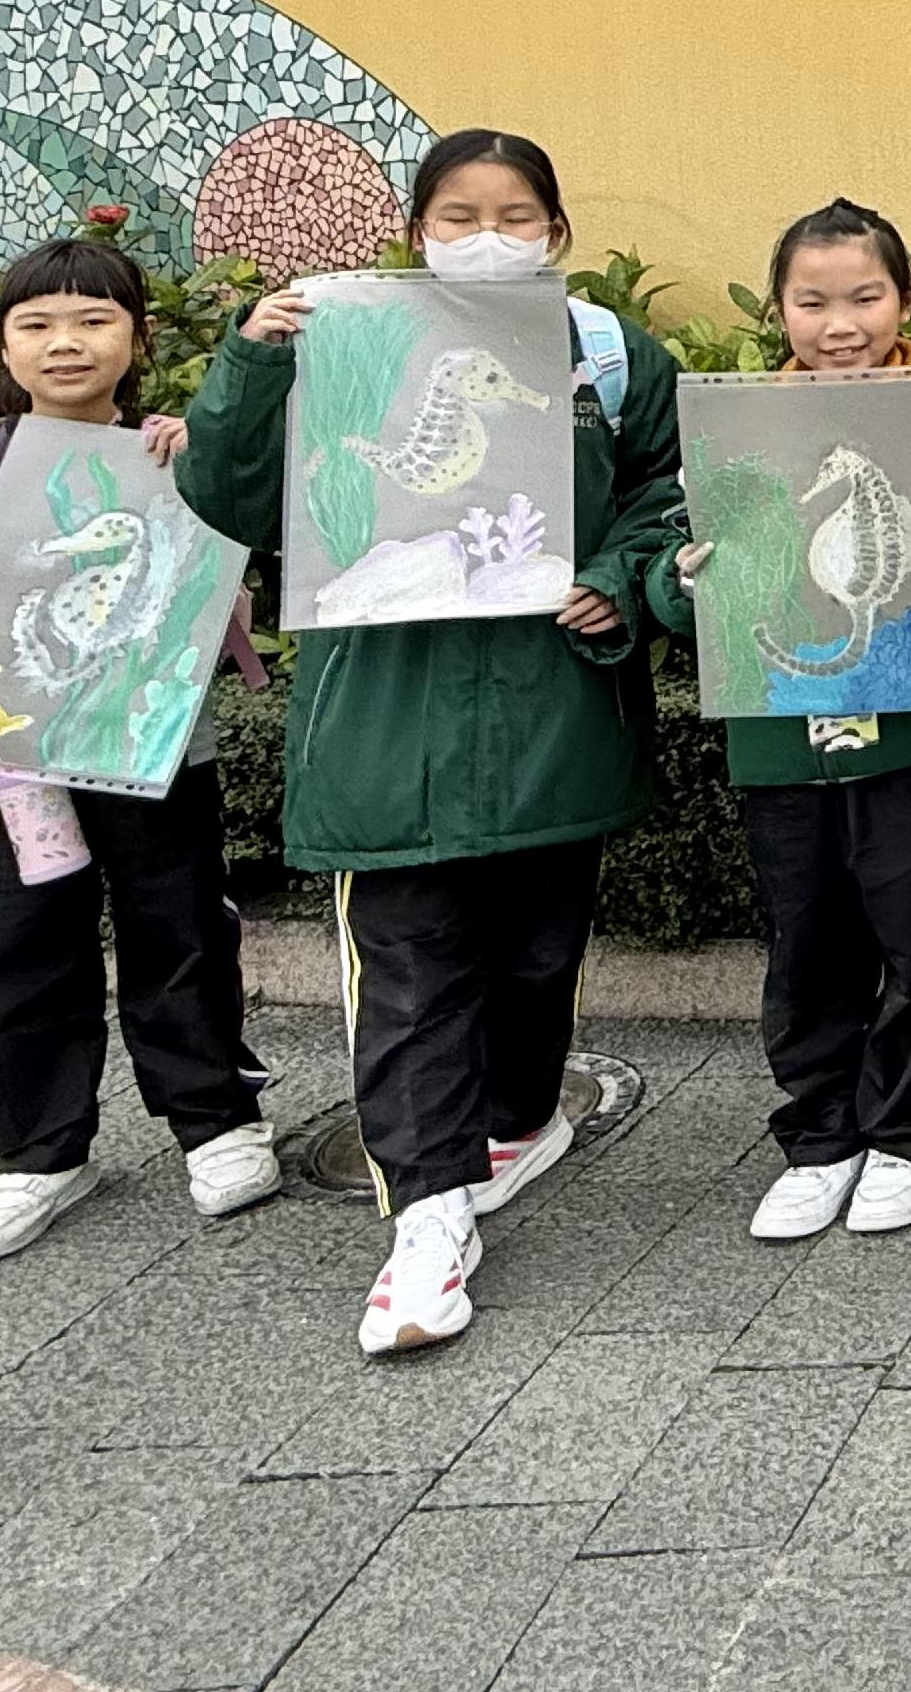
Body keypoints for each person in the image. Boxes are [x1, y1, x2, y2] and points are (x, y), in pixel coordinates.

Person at [175, 129, 686, 1353]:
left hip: (552, 715)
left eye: (516, 216)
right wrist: (252, 360)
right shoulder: (338, 340)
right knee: (409, 971)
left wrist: (621, 577)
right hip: (386, 724)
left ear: (556, 232)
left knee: (536, 954)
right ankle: (426, 1217)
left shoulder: (610, 354)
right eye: (459, 216)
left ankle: (519, 1118)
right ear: (416, 230)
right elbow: (226, 500)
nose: (488, 237)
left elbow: (669, 494)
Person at [0, 237, 275, 1265]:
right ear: (4, 344)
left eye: (94, 320)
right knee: (8, 934)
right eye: (37, 323)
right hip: (1, 745)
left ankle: (215, 1120)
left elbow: (234, 558)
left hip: (148, 730)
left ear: (138, 338)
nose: (66, 342)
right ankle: (38, 1154)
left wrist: (203, 468)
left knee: (177, 919)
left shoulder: (172, 451)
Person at [646, 200, 911, 1243]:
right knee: (803, 934)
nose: (840, 325)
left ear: (906, 302)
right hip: (776, 729)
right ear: (779, 310)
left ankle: (909, 1128)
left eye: (864, 298)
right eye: (812, 302)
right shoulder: (738, 429)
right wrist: (681, 580)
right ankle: (818, 1133)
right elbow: (674, 570)